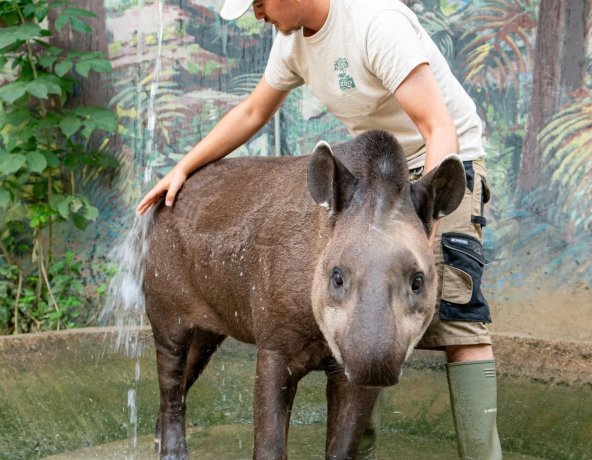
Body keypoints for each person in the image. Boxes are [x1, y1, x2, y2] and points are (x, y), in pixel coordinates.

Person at [137, 0, 502, 458]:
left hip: (440, 162)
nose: (257, 15)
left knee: (458, 320)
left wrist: (421, 225)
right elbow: (252, 113)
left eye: (259, 2)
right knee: (363, 299)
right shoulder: (291, 41)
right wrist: (183, 168)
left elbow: (437, 126)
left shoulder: (374, 23)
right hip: (374, 172)